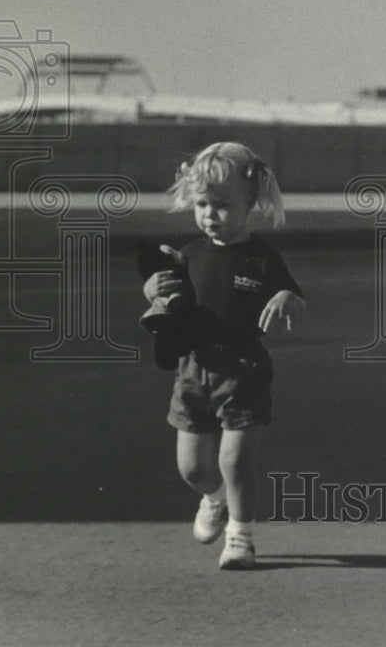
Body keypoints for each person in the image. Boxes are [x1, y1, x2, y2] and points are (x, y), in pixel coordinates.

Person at [141, 142, 306, 570]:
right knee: (194, 469)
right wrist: (152, 289)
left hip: (242, 371)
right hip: (192, 371)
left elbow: (291, 291)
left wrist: (286, 296)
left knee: (235, 461)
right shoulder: (191, 254)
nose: (209, 215)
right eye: (202, 204)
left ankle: (240, 538)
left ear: (250, 202)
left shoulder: (262, 259)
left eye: (222, 205)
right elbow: (165, 296)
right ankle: (215, 499)